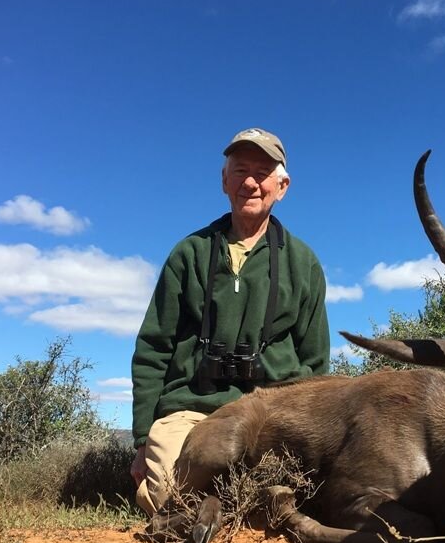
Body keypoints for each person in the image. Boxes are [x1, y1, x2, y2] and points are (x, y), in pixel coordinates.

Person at [130, 127, 330, 517]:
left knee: (301, 494)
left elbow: (317, 365)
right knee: (168, 496)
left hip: (269, 414)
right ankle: (206, 496)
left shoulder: (304, 263)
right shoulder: (188, 253)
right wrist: (142, 440)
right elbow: (154, 348)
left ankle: (224, 499)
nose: (251, 182)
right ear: (224, 180)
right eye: (240, 171)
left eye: (262, 172)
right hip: (191, 407)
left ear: (282, 185)